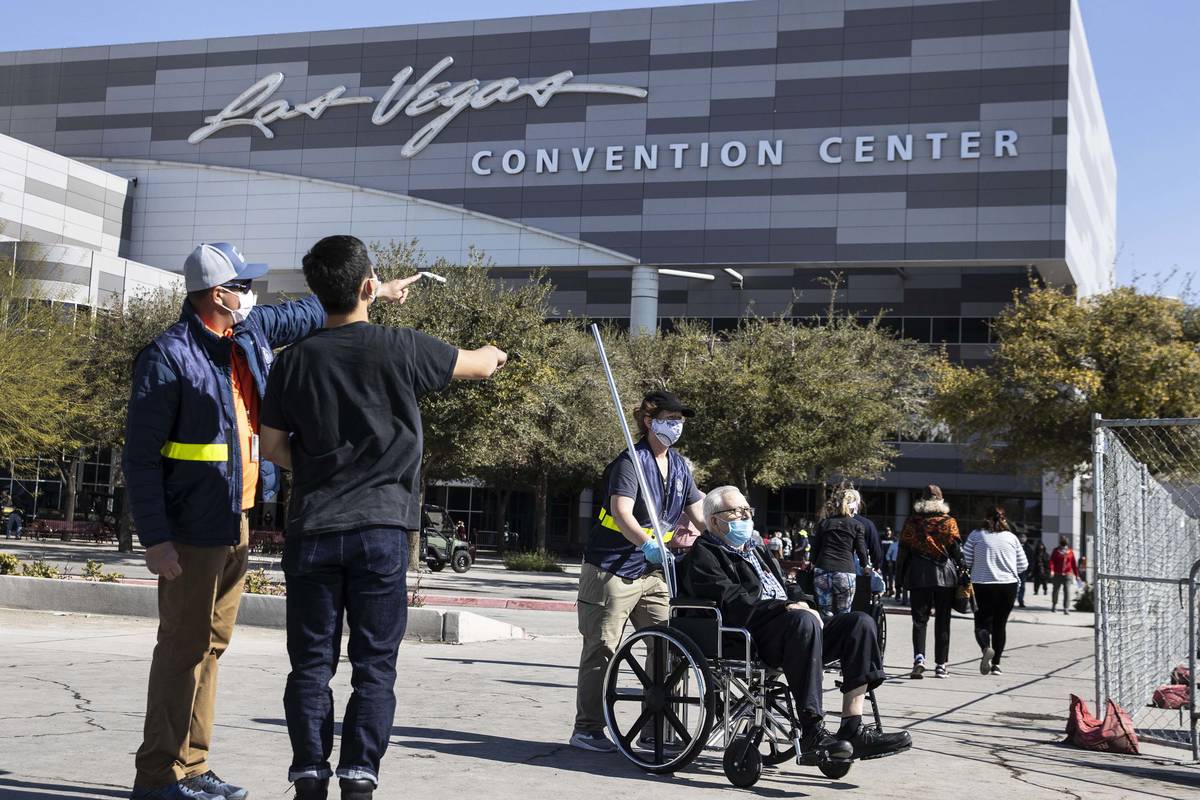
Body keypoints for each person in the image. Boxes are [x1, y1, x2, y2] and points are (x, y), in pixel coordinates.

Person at [124, 241, 383, 800]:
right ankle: (156, 775)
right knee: (182, 648)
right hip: (190, 531)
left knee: (211, 646)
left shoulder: (246, 335)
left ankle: (193, 766)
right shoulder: (168, 357)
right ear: (219, 294)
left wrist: (375, 290)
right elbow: (140, 460)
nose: (252, 294)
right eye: (244, 285)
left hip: (233, 518)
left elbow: (306, 312)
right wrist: (156, 539)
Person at [259, 235, 505, 800]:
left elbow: (272, 445)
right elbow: (481, 367)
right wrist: (495, 350)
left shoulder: (291, 362)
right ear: (370, 285)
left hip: (314, 530)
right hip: (382, 530)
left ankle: (309, 775)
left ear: (317, 291)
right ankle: (360, 776)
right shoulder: (402, 347)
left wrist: (321, 466)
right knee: (374, 666)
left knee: (311, 665)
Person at [677, 486, 912, 761]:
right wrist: (787, 607)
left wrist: (803, 602)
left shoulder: (756, 549)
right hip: (751, 635)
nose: (745, 517)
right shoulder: (705, 554)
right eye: (736, 512)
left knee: (860, 623)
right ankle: (812, 730)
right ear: (715, 520)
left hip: (793, 627)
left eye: (747, 511)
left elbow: (787, 586)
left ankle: (852, 726)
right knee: (802, 622)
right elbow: (732, 601)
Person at [571, 390, 706, 753]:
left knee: (670, 648)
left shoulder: (679, 466)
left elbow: (700, 511)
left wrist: (732, 524)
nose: (677, 426)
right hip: (612, 569)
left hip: (653, 573)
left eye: (680, 420)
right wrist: (648, 542)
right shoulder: (631, 463)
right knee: (602, 647)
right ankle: (588, 728)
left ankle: (656, 729)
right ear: (649, 421)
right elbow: (621, 512)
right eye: (670, 419)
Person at [897, 485, 964, 679]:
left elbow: (903, 552)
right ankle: (941, 665)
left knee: (919, 620)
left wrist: (899, 579)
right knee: (943, 621)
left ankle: (919, 659)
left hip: (918, 576)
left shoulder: (912, 522)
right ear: (941, 501)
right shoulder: (949, 522)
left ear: (922, 501)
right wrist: (965, 572)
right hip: (945, 578)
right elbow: (957, 551)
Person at [963, 507, 1028, 675]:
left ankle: (986, 648)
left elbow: (966, 561)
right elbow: (1023, 565)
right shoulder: (1012, 538)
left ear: (986, 518)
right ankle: (997, 664)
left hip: (982, 584)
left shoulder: (976, 535)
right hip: (1008, 585)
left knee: (981, 623)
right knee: (1000, 625)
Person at [811, 489, 872, 617]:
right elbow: (861, 549)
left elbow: (815, 548)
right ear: (855, 506)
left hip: (822, 569)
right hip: (845, 571)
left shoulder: (825, 523)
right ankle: (840, 636)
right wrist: (865, 566)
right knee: (844, 613)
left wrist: (812, 563)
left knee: (824, 613)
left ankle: (825, 635)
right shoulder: (857, 525)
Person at [1050, 536, 1081, 615]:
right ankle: (1054, 604)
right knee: (1056, 590)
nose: (1064, 544)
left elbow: (1074, 564)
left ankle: (1066, 608)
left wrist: (1077, 575)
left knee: (1067, 591)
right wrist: (1052, 570)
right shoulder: (1056, 551)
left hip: (1068, 574)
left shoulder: (1070, 552)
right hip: (1057, 574)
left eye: (1065, 543)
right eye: (1063, 542)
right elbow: (1052, 561)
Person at [1017, 532, 1035, 608]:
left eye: (1024, 537)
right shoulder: (1014, 546)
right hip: (1014, 570)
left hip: (1024, 571)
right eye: (1021, 537)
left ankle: (1021, 600)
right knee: (1014, 586)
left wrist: (1030, 570)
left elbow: (1031, 560)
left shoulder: (1029, 548)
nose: (1022, 539)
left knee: (1022, 586)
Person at [881, 527, 898, 597]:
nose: (887, 532)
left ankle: (891, 590)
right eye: (886, 530)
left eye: (889, 530)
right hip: (883, 560)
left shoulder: (894, 539)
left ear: (891, 531)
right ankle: (885, 590)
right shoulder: (881, 538)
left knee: (891, 576)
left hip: (891, 560)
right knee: (884, 576)